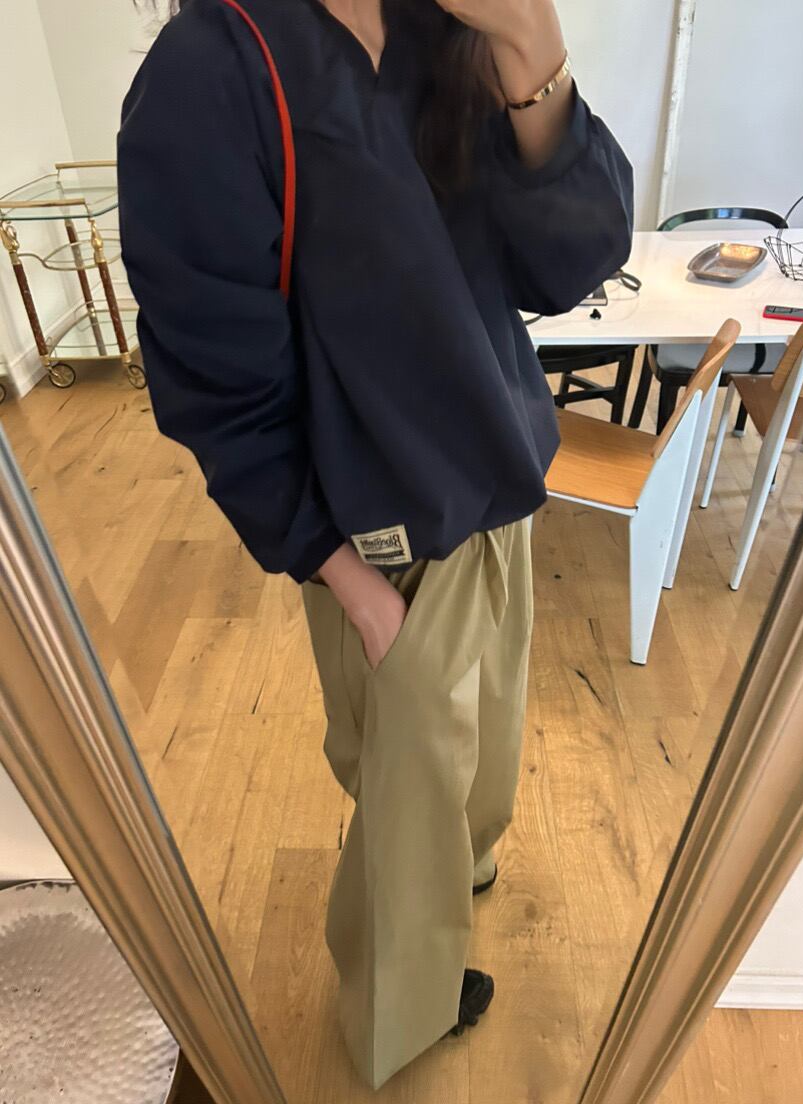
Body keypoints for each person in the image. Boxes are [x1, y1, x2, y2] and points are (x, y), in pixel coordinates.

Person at [118, 0, 633, 1088]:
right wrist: (347, 579)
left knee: (475, 769)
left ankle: (462, 875)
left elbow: (569, 264)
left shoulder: (451, 27)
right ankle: (399, 1024)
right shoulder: (213, 68)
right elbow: (216, 382)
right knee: (403, 820)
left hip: (499, 489)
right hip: (383, 540)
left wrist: (531, 44)